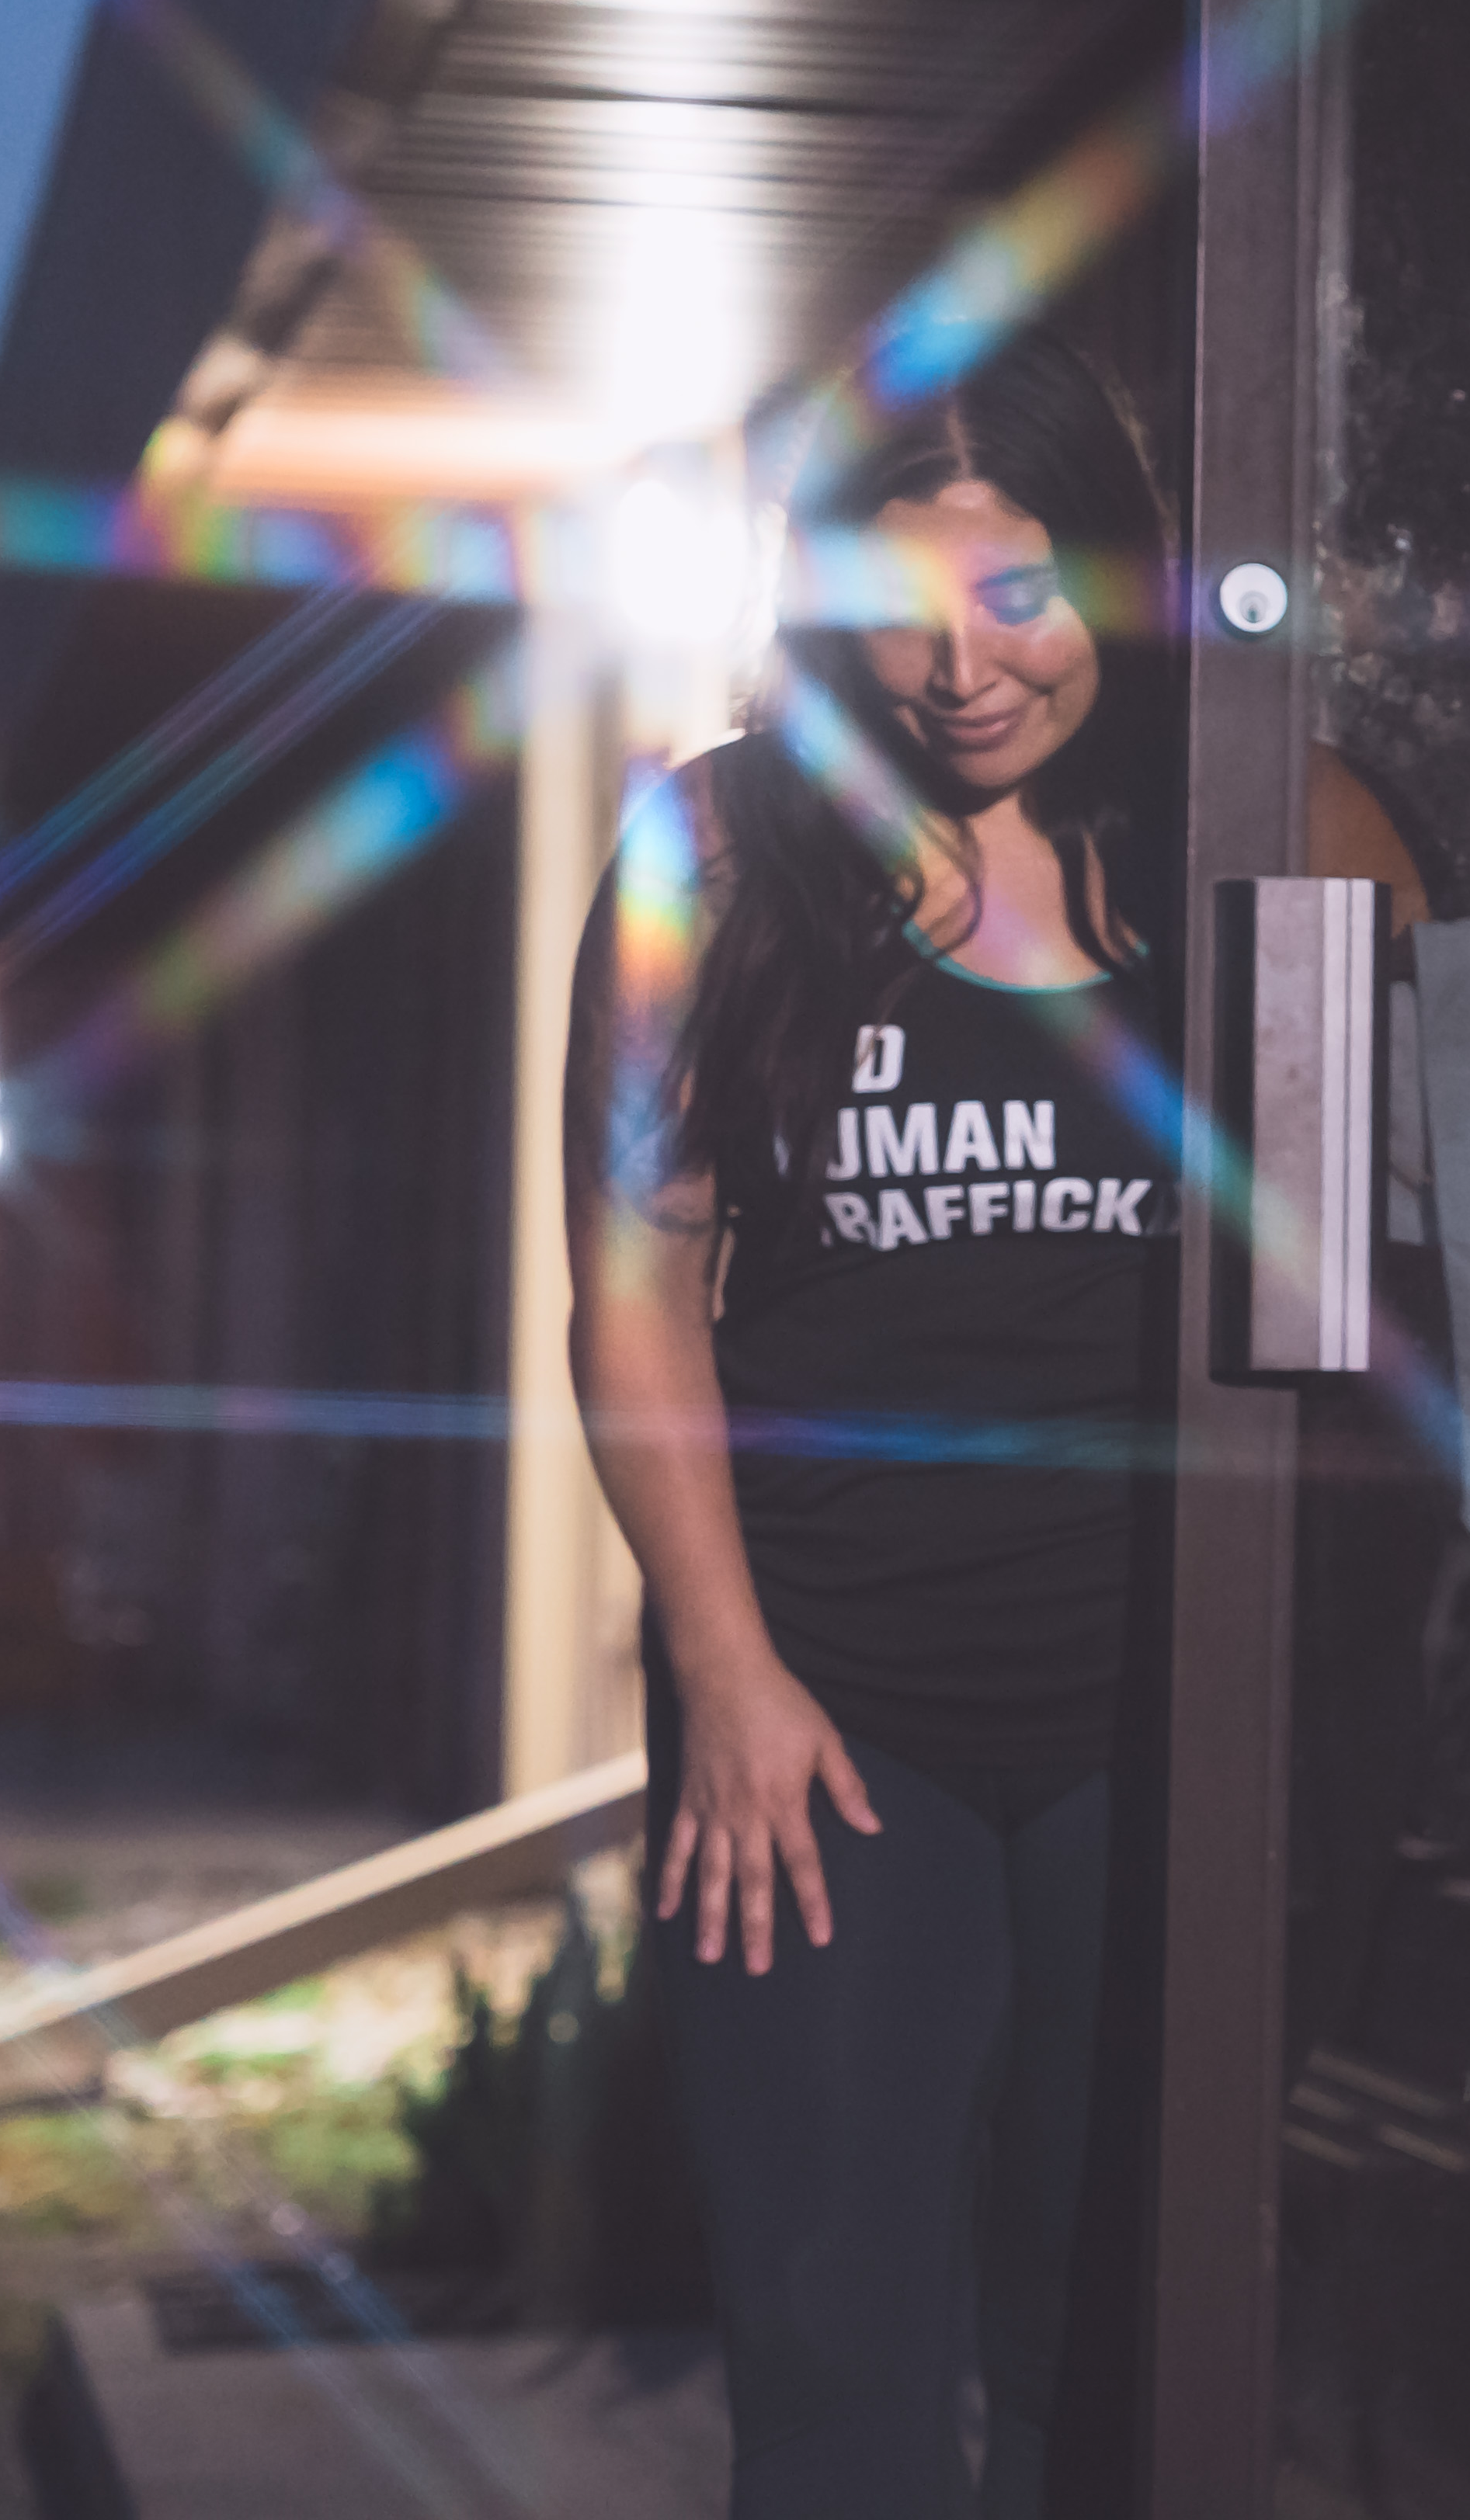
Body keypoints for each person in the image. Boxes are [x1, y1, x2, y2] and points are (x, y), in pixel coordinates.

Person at [566, 329, 1179, 2515]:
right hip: (830, 1729)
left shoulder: (1218, 846)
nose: (960, 674)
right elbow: (634, 1282)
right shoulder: (716, 846)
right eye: (897, 615)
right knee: (841, 2381)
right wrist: (724, 1680)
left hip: (1153, 1720)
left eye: (1016, 597)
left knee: (1114, 2358)